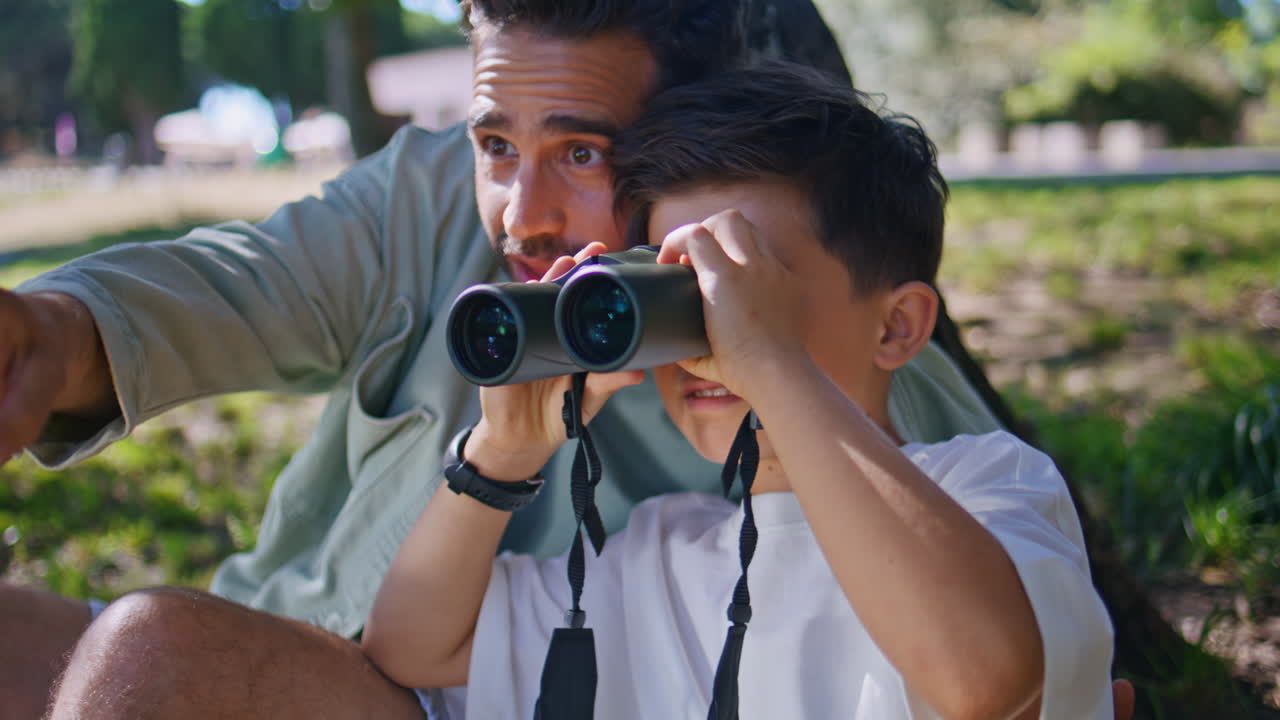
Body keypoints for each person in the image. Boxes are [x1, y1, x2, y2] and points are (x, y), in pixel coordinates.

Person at [9, 4, 1079, 720]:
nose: (522, 214)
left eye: (579, 153)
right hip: (320, 652)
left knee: (151, 645)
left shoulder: (937, 450)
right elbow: (228, 289)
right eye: (494, 147)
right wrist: (48, 338)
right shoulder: (668, 550)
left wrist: (761, 354)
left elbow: (987, 659)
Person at [361, 62, 1116, 719]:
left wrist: (773, 363)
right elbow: (411, 647)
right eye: (678, 294)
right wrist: (500, 455)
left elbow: (982, 681)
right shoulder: (659, 555)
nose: (714, 336)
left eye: (742, 283)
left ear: (897, 328)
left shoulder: (990, 487)